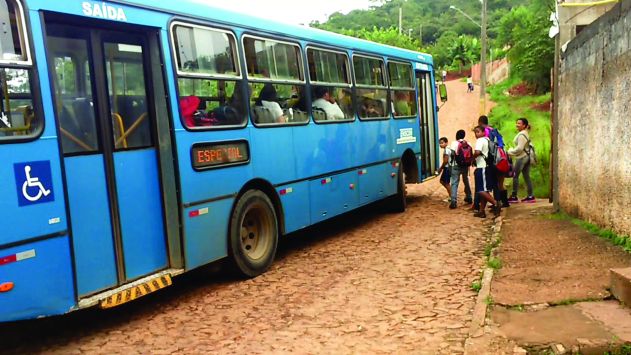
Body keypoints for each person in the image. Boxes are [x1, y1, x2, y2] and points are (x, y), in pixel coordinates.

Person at [472, 126, 500, 218]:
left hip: (482, 167)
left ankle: (495, 203)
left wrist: (472, 159)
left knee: (481, 190)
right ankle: (482, 211)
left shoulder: (480, 140)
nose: (476, 134)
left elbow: (477, 152)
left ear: (484, 132)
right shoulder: (487, 140)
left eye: (478, 132)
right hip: (487, 167)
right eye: (475, 132)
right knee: (484, 190)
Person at [508, 118, 536, 203]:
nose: (517, 125)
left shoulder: (521, 135)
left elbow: (519, 148)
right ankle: (530, 196)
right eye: (516, 123)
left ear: (524, 125)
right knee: (526, 176)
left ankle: (514, 196)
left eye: (519, 123)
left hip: (522, 157)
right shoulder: (525, 133)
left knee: (515, 176)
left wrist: (510, 151)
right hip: (527, 157)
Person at [449, 129, 473, 209]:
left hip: (456, 165)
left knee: (454, 183)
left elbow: (452, 154)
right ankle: (469, 196)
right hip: (465, 165)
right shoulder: (468, 143)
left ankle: (453, 201)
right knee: (466, 180)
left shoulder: (454, 143)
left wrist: (451, 163)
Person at [436, 137, 452, 201]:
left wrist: (440, 169)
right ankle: (451, 195)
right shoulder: (448, 149)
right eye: (440, 143)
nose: (440, 144)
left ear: (446, 143)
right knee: (443, 181)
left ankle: (451, 196)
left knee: (446, 183)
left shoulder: (446, 150)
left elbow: (445, 161)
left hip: (447, 168)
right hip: (448, 168)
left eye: (442, 143)